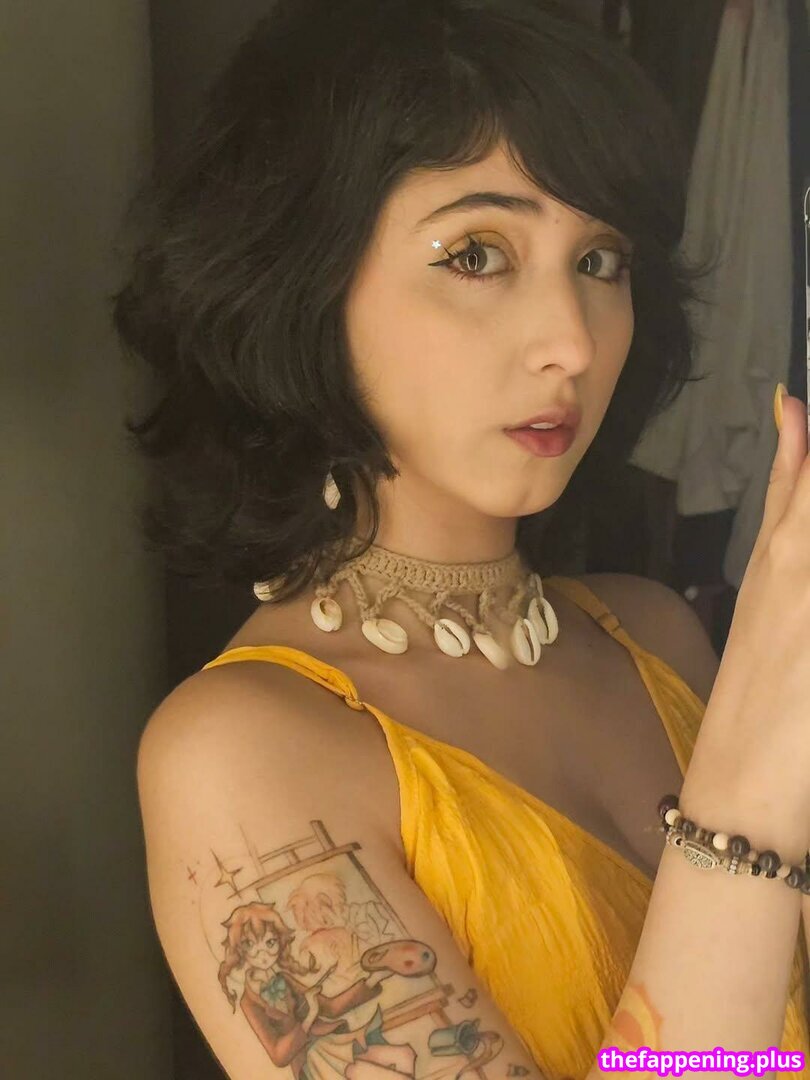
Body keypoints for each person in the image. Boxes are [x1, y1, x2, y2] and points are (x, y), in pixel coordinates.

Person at [114, 1, 810, 1077]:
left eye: (602, 261)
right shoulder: (239, 753)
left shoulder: (654, 634)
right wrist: (742, 814)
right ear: (305, 283)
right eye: (478, 254)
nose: (572, 341)